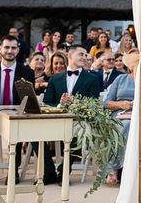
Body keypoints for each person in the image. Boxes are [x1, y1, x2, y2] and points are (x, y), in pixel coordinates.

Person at [43, 45, 100, 184]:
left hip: (79, 122)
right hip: (56, 121)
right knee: (32, 134)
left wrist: (76, 102)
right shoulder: (55, 79)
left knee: (80, 131)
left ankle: (64, 171)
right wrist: (60, 104)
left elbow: (94, 104)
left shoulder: (92, 79)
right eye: (81, 54)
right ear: (70, 55)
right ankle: (49, 170)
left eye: (86, 55)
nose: (85, 57)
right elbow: (46, 103)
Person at [0, 35, 35, 184]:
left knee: (17, 130)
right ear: (0, 49)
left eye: (13, 48)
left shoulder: (27, 72)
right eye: (6, 47)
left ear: (18, 50)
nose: (10, 51)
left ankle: (13, 171)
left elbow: (27, 101)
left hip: (16, 115)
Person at [102, 56, 136, 185]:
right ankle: (115, 168)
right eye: (133, 62)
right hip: (120, 113)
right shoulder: (120, 79)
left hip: (140, 115)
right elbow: (107, 103)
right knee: (124, 124)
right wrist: (121, 104)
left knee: (130, 124)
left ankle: (117, 168)